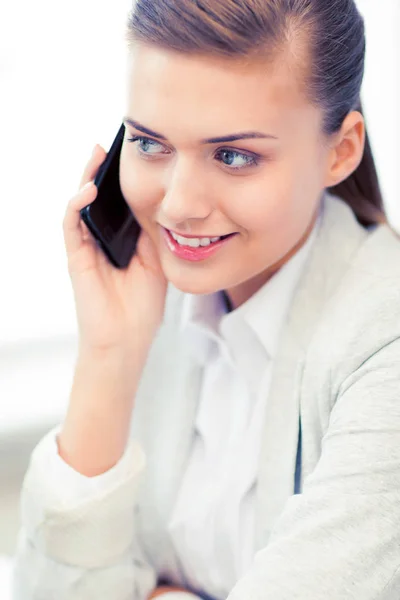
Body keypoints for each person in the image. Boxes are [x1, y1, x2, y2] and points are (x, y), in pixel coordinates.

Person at [11, 0, 400, 599]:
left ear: (340, 151)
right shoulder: (154, 300)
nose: (177, 205)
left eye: (233, 155)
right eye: (148, 143)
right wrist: (110, 355)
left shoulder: (384, 339)